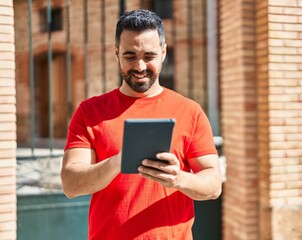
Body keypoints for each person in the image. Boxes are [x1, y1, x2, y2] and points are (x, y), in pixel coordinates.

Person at [60, 9, 222, 240]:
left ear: (163, 53)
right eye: (130, 56)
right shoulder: (90, 112)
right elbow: (70, 184)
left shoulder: (190, 111)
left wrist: (179, 179)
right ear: (116, 53)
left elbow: (214, 185)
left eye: (149, 56)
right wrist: (120, 161)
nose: (140, 67)